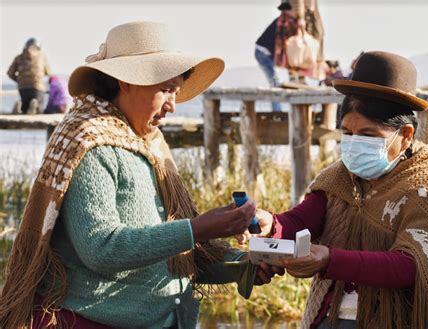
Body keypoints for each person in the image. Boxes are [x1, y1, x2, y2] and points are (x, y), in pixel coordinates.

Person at [0, 21, 283, 329]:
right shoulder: (89, 143)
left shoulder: (151, 145)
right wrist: (198, 228)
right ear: (127, 81)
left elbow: (173, 257)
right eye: (166, 90)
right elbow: (101, 248)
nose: (173, 105)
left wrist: (241, 264)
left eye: (176, 91)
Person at [244, 51, 428, 328]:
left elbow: (413, 264)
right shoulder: (339, 177)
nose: (354, 144)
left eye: (367, 135)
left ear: (405, 135)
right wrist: (273, 225)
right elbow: (302, 219)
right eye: (347, 133)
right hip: (330, 317)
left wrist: (329, 259)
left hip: (399, 320)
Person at [254, 0, 293, 112]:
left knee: (276, 80)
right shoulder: (283, 23)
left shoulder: (283, 22)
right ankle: (277, 111)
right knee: (274, 81)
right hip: (263, 52)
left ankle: (278, 109)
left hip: (266, 53)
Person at [7, 37, 51, 114]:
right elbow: (49, 72)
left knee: (25, 108)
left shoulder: (18, 58)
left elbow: (10, 73)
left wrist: (18, 80)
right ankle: (36, 105)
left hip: (23, 87)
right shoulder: (42, 57)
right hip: (37, 87)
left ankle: (20, 106)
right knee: (39, 109)